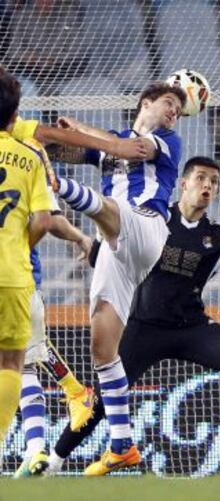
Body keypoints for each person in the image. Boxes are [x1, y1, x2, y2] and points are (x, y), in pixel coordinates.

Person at [46, 156, 220, 478]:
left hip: (191, 328)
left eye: (214, 182)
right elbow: (121, 256)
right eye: (201, 178)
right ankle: (53, 461)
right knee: (105, 398)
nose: (207, 185)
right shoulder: (153, 219)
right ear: (183, 183)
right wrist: (92, 251)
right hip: (143, 327)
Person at [47, 81, 187, 475]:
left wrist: (75, 125)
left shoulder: (165, 142)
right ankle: (122, 445)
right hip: (116, 248)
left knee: (109, 209)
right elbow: (71, 149)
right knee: (103, 348)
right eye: (167, 102)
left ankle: (61, 190)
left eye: (177, 106)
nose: (174, 110)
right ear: (146, 102)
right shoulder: (108, 146)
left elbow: (127, 148)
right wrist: (43, 140)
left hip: (146, 227)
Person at [14, 140, 94, 477]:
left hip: (16, 276)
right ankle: (36, 449)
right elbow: (50, 219)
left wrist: (79, 237)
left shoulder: (28, 151)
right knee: (24, 359)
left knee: (21, 362)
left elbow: (49, 219)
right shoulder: (27, 154)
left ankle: (36, 449)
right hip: (17, 274)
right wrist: (80, 238)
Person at [0, 70, 52, 447]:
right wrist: (19, 243)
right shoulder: (29, 156)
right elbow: (43, 221)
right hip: (13, 275)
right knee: (12, 365)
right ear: (15, 116)